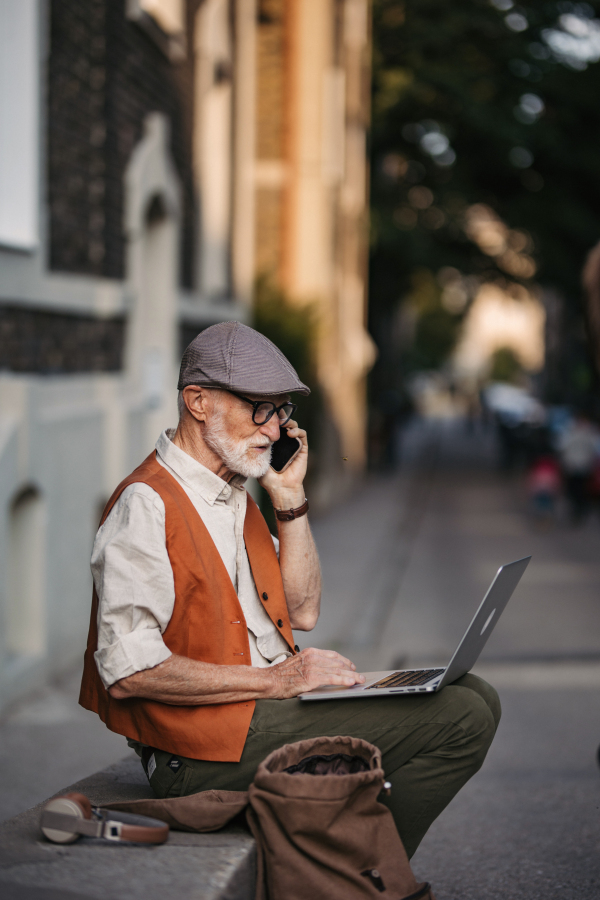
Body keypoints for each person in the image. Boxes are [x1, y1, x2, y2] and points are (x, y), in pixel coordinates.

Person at [80, 321, 500, 859]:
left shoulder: (235, 494)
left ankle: (345, 863)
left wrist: (290, 499)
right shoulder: (147, 503)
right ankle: (359, 877)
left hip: (257, 716)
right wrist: (275, 680)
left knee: (478, 695)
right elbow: (129, 671)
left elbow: (302, 611)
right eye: (260, 408)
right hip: (197, 754)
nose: (275, 430)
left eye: (280, 411)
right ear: (198, 401)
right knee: (461, 719)